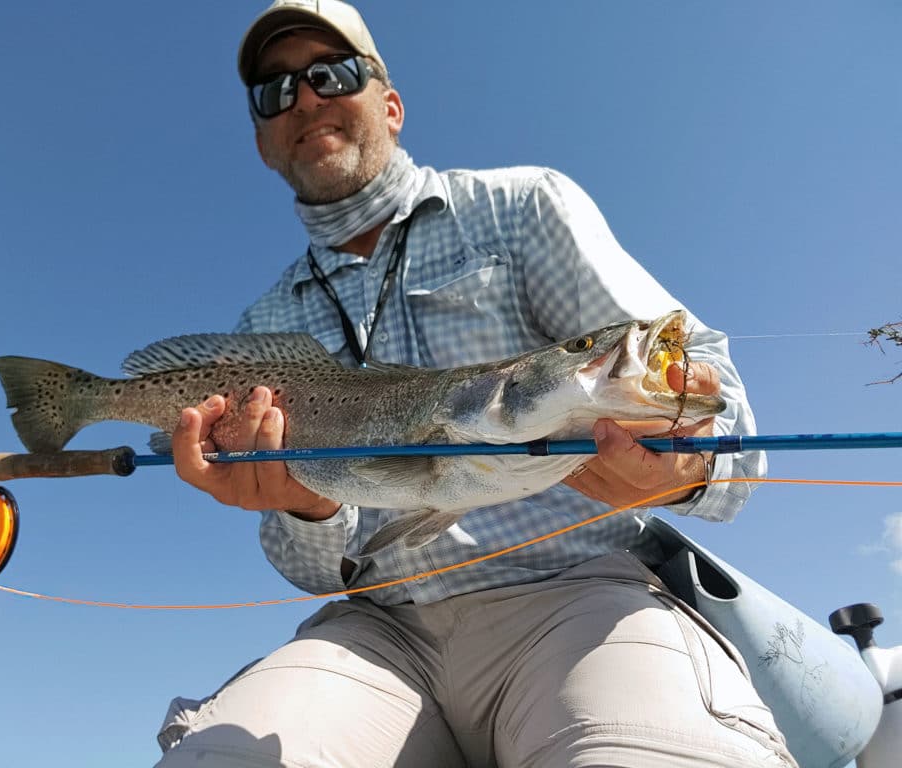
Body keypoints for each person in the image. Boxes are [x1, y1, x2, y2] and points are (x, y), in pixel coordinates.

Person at [156, 2, 798, 766]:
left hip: (576, 595)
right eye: (275, 91)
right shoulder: (261, 326)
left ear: (390, 105)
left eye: (332, 73)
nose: (306, 99)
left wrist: (688, 465)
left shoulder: (520, 207)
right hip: (378, 633)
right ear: (263, 141)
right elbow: (312, 571)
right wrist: (304, 502)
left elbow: (707, 388)